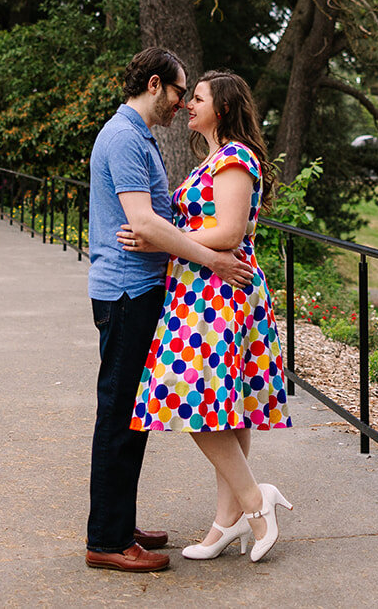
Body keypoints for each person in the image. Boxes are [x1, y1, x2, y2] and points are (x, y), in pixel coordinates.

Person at [85, 48, 256, 573]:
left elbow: (162, 225)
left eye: (192, 96)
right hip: (126, 292)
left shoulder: (140, 138)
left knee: (132, 415)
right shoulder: (123, 138)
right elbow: (146, 223)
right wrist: (215, 259)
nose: (182, 103)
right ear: (157, 84)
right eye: (182, 92)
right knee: (118, 413)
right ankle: (107, 541)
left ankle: (118, 519)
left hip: (142, 290)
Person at [120, 69, 293, 564]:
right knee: (224, 407)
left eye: (197, 98)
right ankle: (226, 522)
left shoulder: (235, 158)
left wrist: (158, 239)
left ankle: (257, 502)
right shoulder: (214, 159)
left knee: (192, 398)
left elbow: (231, 231)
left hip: (219, 289)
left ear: (223, 108)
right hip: (201, 288)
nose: (187, 104)